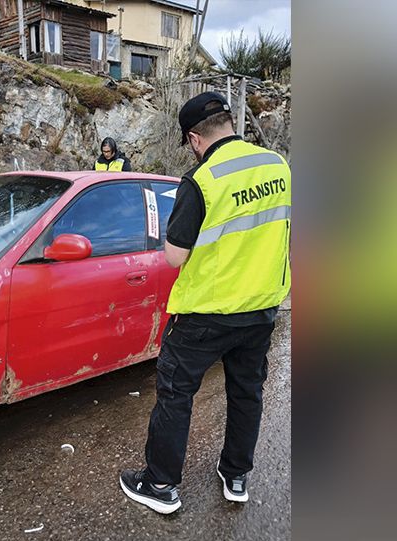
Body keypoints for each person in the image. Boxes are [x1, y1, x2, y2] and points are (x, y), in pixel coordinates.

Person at [118, 92, 291, 514]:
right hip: (261, 307)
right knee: (247, 393)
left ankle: (160, 485)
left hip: (206, 313)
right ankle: (235, 475)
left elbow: (176, 256)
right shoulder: (279, 166)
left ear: (195, 138)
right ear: (230, 123)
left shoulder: (203, 180)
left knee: (176, 394)